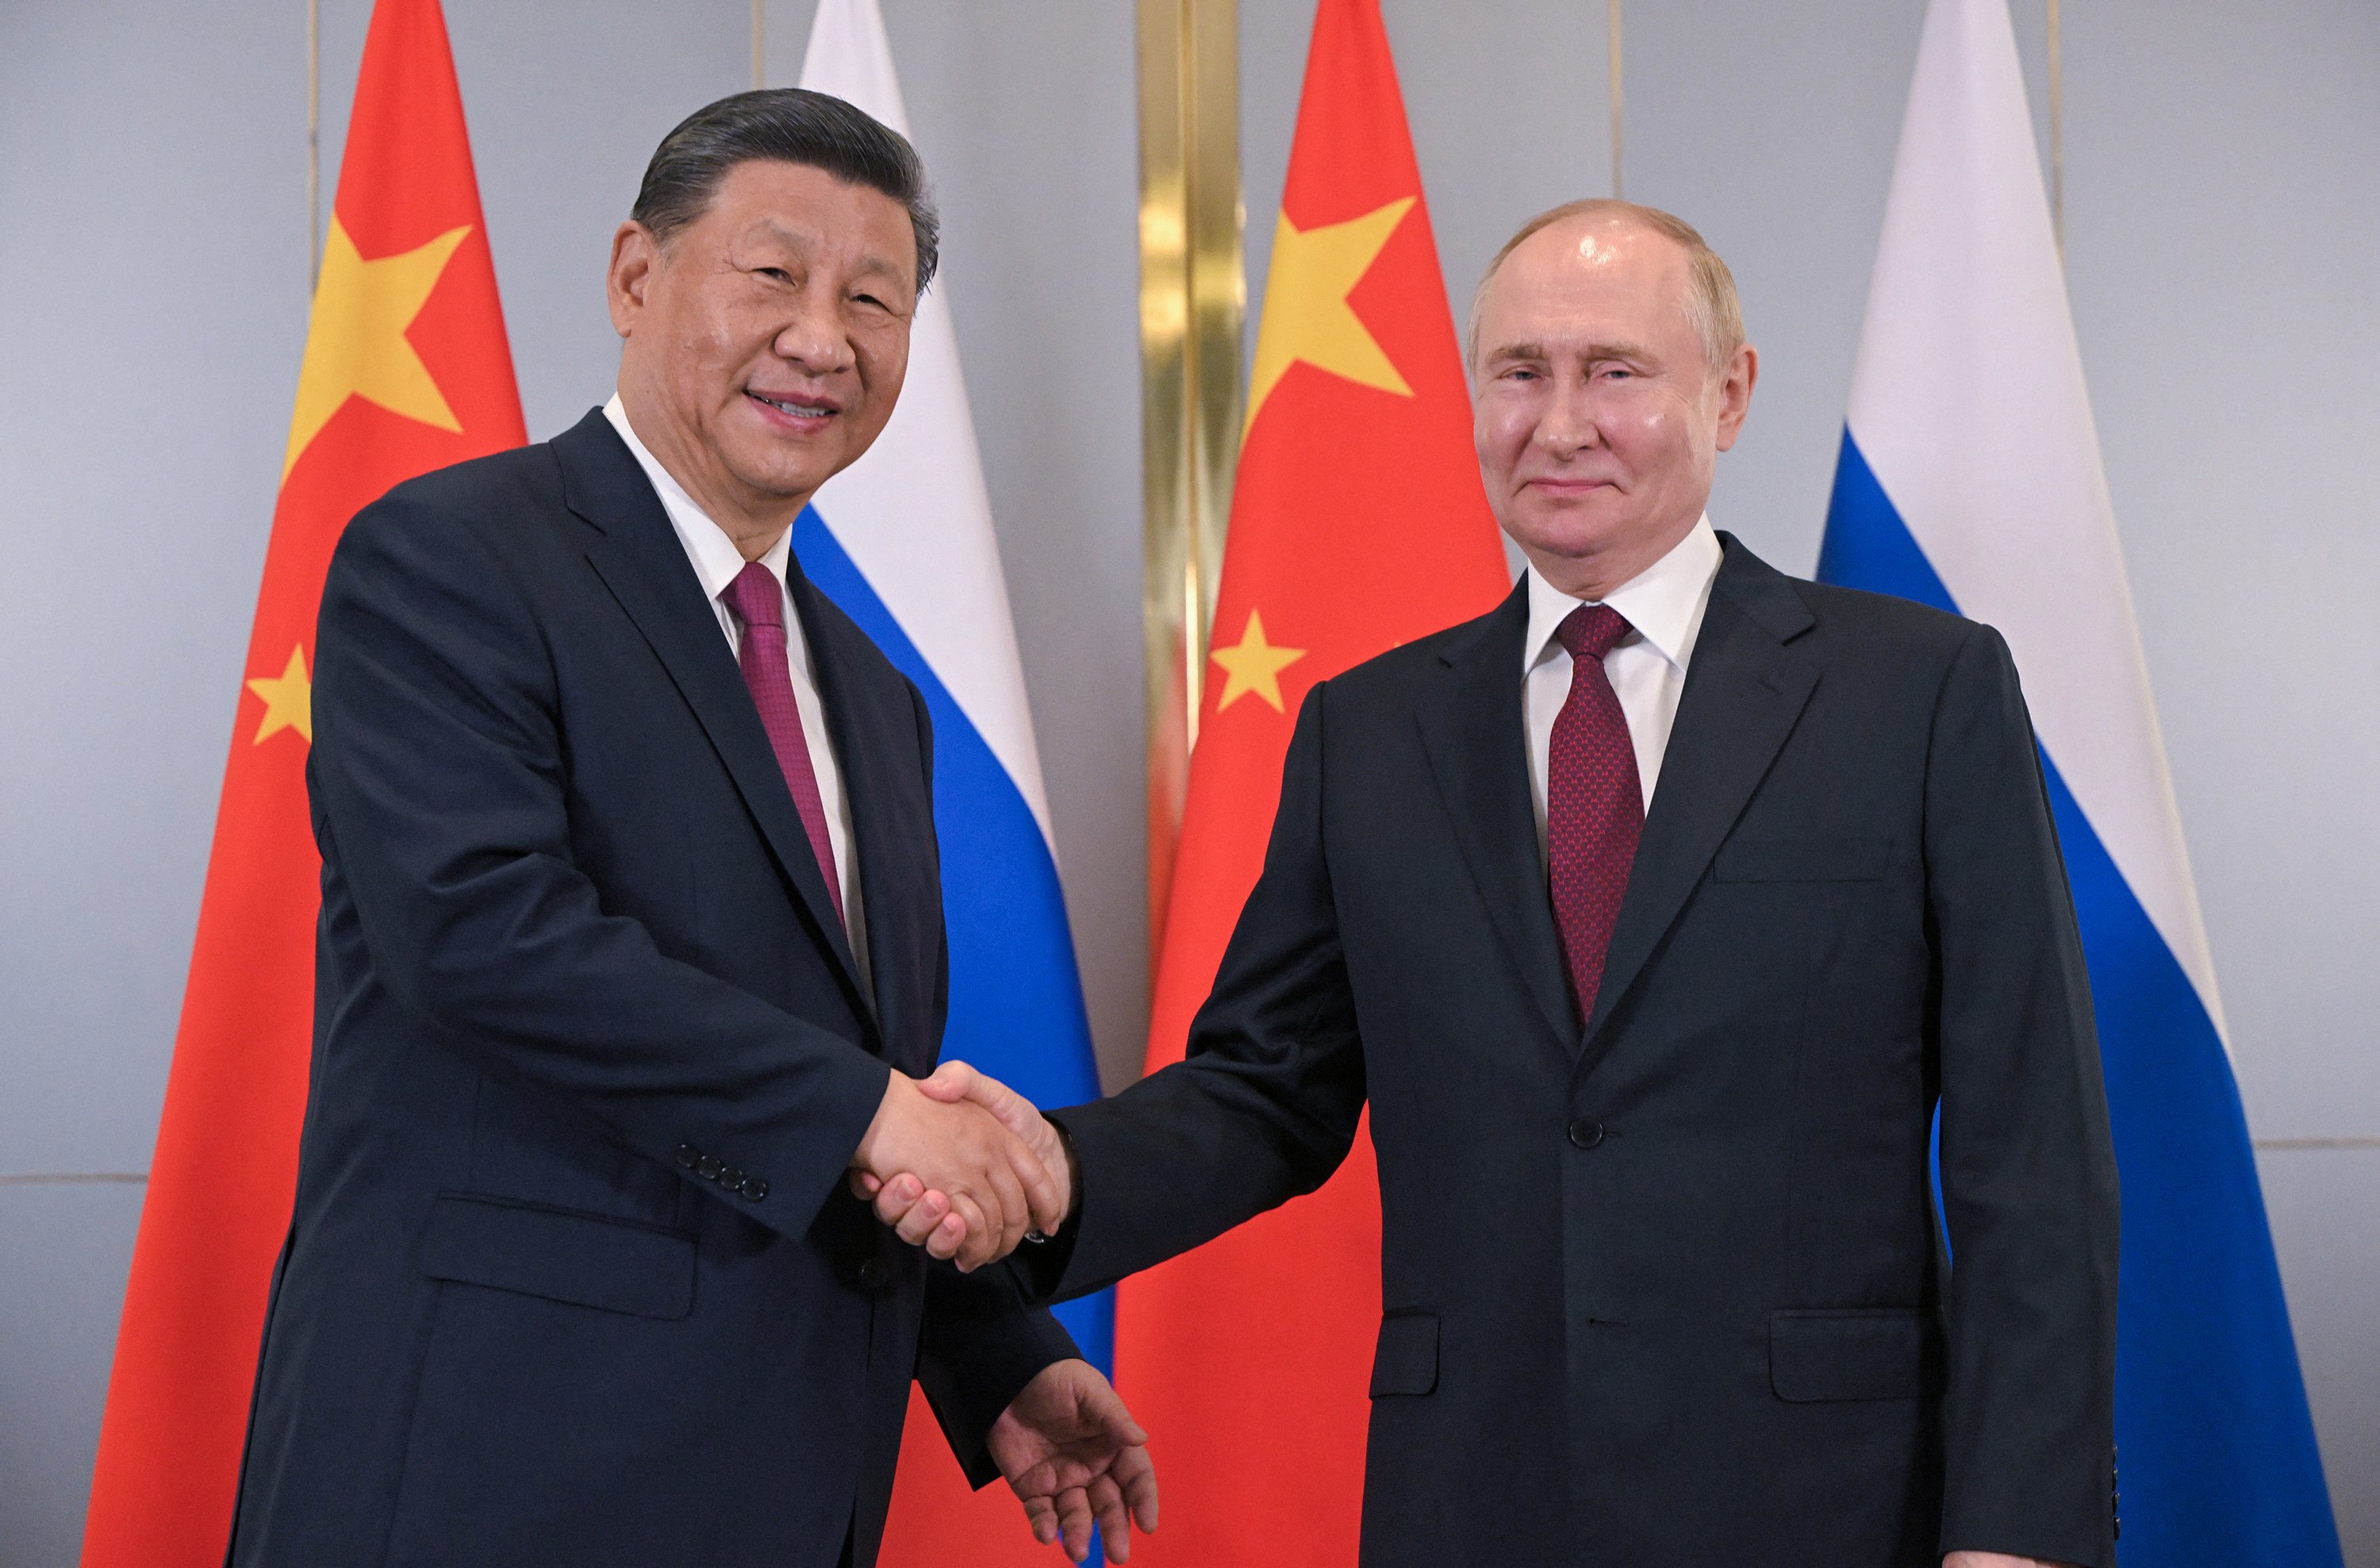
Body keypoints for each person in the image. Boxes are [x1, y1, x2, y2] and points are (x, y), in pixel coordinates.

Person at [880, 201, 2120, 1566]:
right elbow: (1266, 1093)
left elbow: (2033, 1159)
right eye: (1520, 372)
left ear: (1731, 390)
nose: (1561, 421)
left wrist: (2019, 1533)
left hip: (1829, 1501)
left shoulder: (1920, 693)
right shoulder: (1370, 731)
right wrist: (1051, 1169)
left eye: (1617, 372)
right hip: (1473, 1498)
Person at [226, 90, 1155, 1568]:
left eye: (875, 300)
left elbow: (854, 1077)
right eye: (773, 275)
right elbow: (480, 934)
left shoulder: (868, 692)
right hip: (492, 1465)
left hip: (783, 1482)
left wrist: (993, 1358)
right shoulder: (453, 556)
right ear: (635, 278)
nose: (823, 340)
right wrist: (873, 1113)